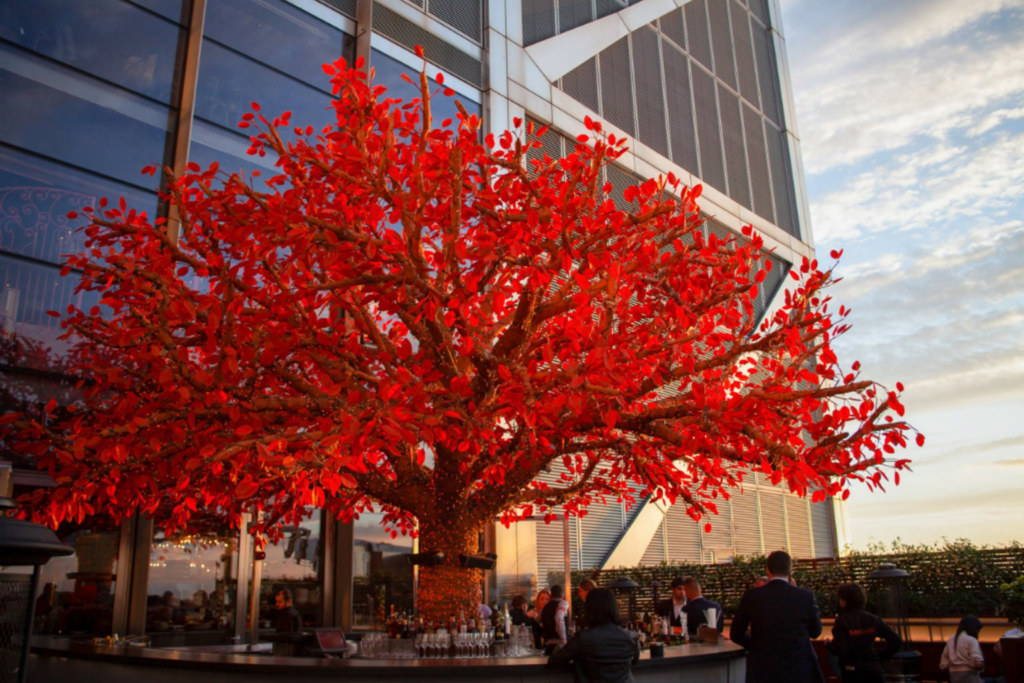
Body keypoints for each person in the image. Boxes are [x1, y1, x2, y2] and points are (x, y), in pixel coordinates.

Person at [729, 550, 824, 683]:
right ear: (790, 571)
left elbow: (736, 633)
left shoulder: (751, 596)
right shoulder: (805, 596)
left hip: (763, 669)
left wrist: (756, 645)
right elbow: (815, 632)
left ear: (768, 570)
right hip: (799, 667)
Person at [548, 587, 640, 683]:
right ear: (614, 609)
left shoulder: (583, 638)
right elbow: (634, 661)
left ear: (589, 609)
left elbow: (554, 661)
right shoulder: (631, 637)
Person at [826, 583, 901, 683]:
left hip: (853, 672)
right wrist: (881, 657)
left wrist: (828, 644)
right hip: (875, 670)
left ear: (844, 601)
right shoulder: (873, 619)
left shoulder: (842, 621)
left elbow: (841, 650)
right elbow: (896, 641)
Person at [940, 616, 985, 683]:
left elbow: (944, 660)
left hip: (953, 675)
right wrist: (980, 665)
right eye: (977, 629)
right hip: (970, 675)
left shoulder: (951, 639)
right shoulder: (971, 640)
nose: (978, 632)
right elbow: (977, 662)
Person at [541, 584, 571, 654]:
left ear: (551, 596)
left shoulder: (545, 608)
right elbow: (559, 619)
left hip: (548, 643)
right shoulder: (562, 605)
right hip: (559, 645)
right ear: (563, 596)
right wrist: (563, 639)